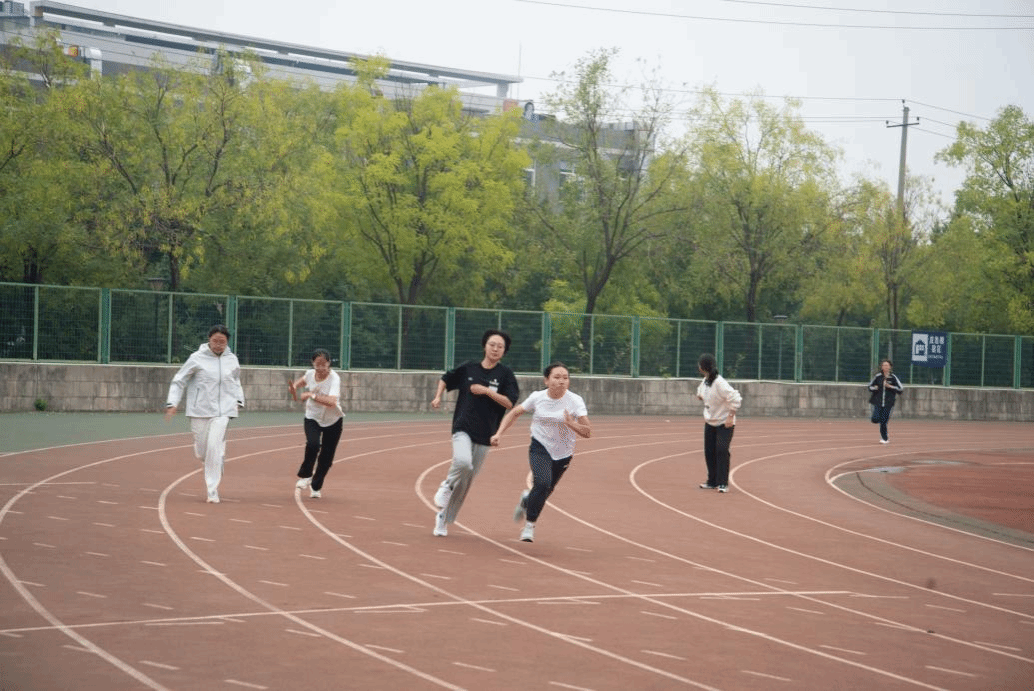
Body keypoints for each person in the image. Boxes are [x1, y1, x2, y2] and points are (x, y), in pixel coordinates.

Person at [430, 329, 519, 537]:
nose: (495, 349)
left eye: (500, 347)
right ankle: (446, 485)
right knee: (463, 462)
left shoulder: (505, 375)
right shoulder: (469, 368)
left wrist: (487, 391)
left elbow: (509, 403)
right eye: (492, 344)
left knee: (466, 480)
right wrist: (438, 396)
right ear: (484, 346)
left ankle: (443, 518)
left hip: (486, 434)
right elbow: (445, 378)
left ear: (504, 351)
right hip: (463, 427)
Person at [491, 362, 591, 543]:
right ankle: (529, 526)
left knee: (544, 492)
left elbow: (587, 432)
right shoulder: (537, 397)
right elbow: (514, 413)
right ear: (546, 380)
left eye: (565, 378)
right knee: (543, 483)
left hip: (563, 453)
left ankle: (527, 500)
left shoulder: (575, 401)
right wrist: (498, 433)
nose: (561, 381)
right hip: (540, 447)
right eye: (557, 377)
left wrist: (571, 424)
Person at [164, 324, 245, 504]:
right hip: (199, 410)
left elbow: (236, 381)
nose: (218, 345)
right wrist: (172, 403)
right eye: (215, 341)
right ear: (209, 339)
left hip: (223, 411)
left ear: (227, 342)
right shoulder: (196, 358)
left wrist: (239, 400)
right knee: (202, 453)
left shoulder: (232, 359)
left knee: (214, 447)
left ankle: (212, 490)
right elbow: (179, 380)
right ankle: (216, 459)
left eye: (222, 342)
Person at [288, 348, 344, 499]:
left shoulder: (334, 378)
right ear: (312, 363)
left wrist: (311, 395)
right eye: (317, 364)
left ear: (329, 363)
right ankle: (306, 475)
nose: (320, 368)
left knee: (327, 457)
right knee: (313, 444)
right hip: (312, 417)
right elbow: (300, 382)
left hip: (333, 420)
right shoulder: (309, 374)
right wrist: (294, 387)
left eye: (323, 364)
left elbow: (332, 402)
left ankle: (316, 486)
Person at [695, 353, 741, 493]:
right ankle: (712, 481)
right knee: (709, 451)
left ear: (702, 367)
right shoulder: (705, 380)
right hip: (710, 421)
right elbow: (700, 392)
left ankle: (722, 483)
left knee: (721, 450)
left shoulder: (720, 383)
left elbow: (736, 398)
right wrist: (700, 396)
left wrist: (730, 416)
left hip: (724, 422)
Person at [868, 358, 904, 444]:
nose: (885, 367)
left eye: (887, 365)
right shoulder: (878, 377)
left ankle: (885, 438)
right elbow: (869, 387)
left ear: (890, 367)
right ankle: (880, 420)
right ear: (881, 367)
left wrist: (890, 386)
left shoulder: (893, 377)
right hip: (878, 402)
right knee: (875, 419)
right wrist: (875, 388)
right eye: (884, 365)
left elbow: (901, 389)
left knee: (883, 421)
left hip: (888, 403)